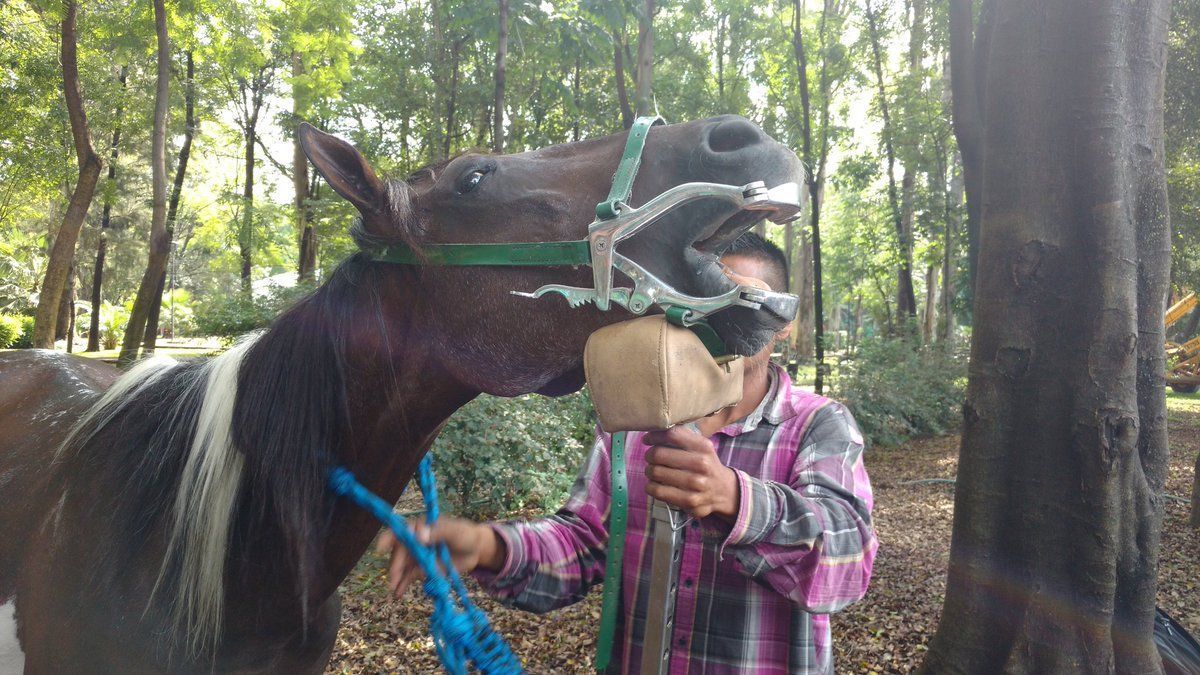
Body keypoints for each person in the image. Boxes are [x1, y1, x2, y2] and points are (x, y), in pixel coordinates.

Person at [377, 233, 877, 674]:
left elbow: (847, 564)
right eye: (709, 300)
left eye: (747, 300)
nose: (726, 319)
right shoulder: (637, 421)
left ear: (784, 321)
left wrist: (734, 499)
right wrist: (489, 547)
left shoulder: (817, 424)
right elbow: (584, 542)